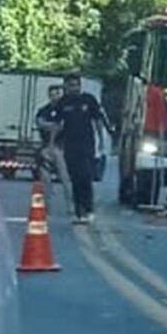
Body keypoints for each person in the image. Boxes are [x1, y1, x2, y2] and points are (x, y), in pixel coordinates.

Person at [46, 74, 107, 224]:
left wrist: (101, 141)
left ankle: (89, 208)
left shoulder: (89, 100)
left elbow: (97, 121)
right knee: (75, 178)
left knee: (86, 176)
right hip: (70, 145)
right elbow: (57, 124)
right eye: (71, 85)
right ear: (65, 86)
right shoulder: (63, 103)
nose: (74, 88)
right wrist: (51, 144)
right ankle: (79, 211)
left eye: (76, 85)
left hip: (87, 144)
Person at [36, 84, 71, 214]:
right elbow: (40, 123)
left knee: (65, 178)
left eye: (58, 94)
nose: (55, 97)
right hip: (45, 148)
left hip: (61, 148)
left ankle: (70, 206)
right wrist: (54, 126)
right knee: (45, 179)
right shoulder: (43, 110)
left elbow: (63, 126)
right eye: (53, 94)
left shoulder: (66, 110)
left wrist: (51, 126)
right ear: (49, 95)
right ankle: (46, 206)